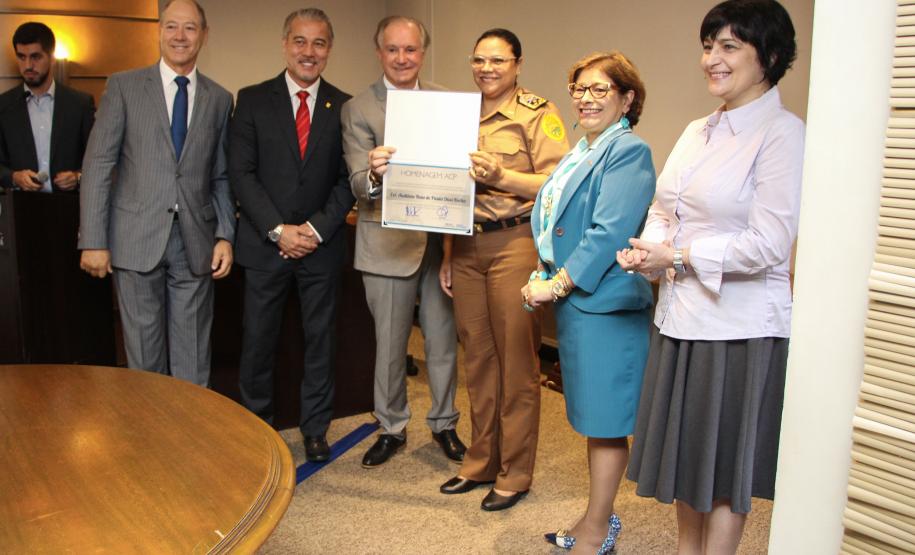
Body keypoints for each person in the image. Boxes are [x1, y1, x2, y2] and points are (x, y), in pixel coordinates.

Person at [620, 1, 804, 553]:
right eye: (708, 46)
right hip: (680, 315)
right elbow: (665, 205)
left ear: (769, 56)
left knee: (725, 467)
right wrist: (651, 245)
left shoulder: (782, 133)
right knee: (685, 453)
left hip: (739, 326)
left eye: (729, 47)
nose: (712, 59)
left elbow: (769, 245)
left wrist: (674, 256)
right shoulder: (698, 129)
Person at [523, 50, 655, 552]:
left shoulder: (628, 151)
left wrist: (555, 285)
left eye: (601, 89)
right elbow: (559, 224)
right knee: (595, 425)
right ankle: (595, 518)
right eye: (579, 88)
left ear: (627, 98)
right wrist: (544, 270)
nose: (586, 97)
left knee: (605, 425)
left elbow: (607, 234)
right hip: (580, 305)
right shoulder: (583, 149)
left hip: (606, 308)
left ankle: (599, 529)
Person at [438, 28, 568, 512]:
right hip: (467, 244)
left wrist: (503, 176)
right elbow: (450, 189)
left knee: (516, 362)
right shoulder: (459, 115)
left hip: (515, 243)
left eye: (497, 60)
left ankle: (515, 472)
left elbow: (558, 184)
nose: (486, 69)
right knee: (477, 360)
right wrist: (449, 254)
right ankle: (480, 462)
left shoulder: (538, 114)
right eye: (478, 60)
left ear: (517, 63)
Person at [78, 0, 235, 386]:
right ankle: (151, 443)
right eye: (171, 27)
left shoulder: (219, 98)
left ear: (204, 35)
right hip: (135, 239)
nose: (180, 36)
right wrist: (93, 241)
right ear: (159, 31)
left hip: (195, 242)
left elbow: (221, 175)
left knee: (193, 359)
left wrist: (225, 235)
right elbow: (97, 165)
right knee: (144, 361)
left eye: (190, 28)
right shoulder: (124, 86)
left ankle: (187, 441)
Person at [230, 8, 354, 463]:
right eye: (300, 41)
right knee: (258, 341)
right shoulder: (252, 99)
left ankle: (316, 429)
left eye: (319, 43)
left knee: (320, 342)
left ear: (329, 50)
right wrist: (279, 230)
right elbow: (241, 174)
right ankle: (256, 428)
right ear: (285, 44)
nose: (309, 51)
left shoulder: (345, 106)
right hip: (265, 247)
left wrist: (315, 230)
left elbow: (348, 180)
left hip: (321, 250)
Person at [341, 16, 465, 468]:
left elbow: (458, 175)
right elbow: (356, 182)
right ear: (379, 53)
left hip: (440, 246)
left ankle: (445, 423)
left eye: (410, 50)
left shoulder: (447, 103)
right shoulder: (358, 108)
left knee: (443, 343)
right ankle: (391, 426)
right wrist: (373, 172)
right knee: (390, 347)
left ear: (422, 53)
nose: (402, 58)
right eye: (393, 50)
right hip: (385, 245)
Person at [0, 22, 94, 192]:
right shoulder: (3, 106)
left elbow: (99, 160)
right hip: (20, 210)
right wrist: (14, 177)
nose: (28, 65)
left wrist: (78, 177)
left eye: (35, 57)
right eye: (21, 57)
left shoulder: (81, 104)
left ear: (51, 57)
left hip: (71, 210)